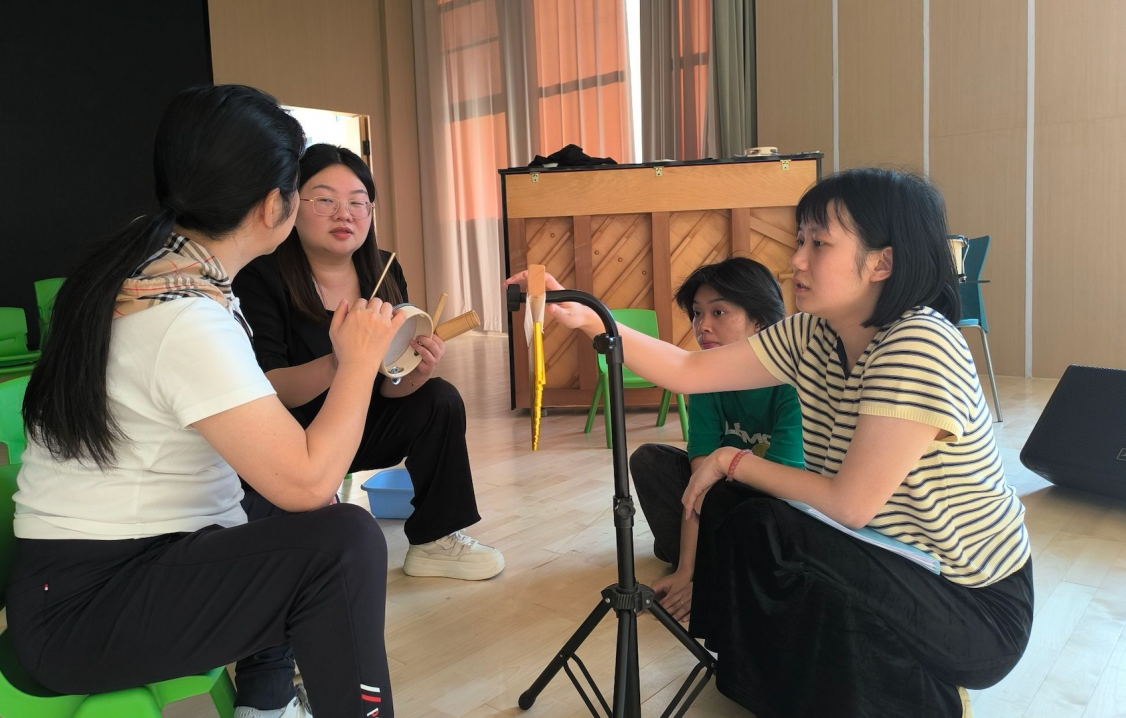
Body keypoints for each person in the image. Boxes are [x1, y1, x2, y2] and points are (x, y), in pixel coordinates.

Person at [507, 168, 1033, 718]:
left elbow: (849, 504)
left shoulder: (918, 341)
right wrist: (586, 317)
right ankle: (771, 681)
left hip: (972, 606)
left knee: (775, 527)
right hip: (888, 560)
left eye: (819, 244)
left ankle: (926, 697)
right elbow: (687, 369)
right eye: (799, 240)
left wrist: (730, 460)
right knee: (751, 519)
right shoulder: (813, 334)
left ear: (882, 262)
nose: (796, 260)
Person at [10, 85, 399, 718]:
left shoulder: (153, 272)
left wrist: (343, 365)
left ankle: (267, 702)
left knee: (290, 510)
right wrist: (357, 365)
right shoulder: (184, 315)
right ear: (274, 205)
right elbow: (306, 482)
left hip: (82, 579)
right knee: (344, 542)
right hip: (84, 609)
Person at [232, 144, 502, 714]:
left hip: (356, 418)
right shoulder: (263, 276)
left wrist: (415, 370)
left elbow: (389, 382)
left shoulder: (380, 269)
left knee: (439, 399)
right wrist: (345, 358)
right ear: (291, 206)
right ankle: (274, 668)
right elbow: (270, 388)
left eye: (358, 202)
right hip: (291, 435)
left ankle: (433, 540)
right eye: (323, 199)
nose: (344, 214)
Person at [629, 257, 804, 624]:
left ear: (760, 321)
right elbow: (699, 484)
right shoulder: (707, 379)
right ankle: (695, 561)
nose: (702, 326)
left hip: (779, 504)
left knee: (762, 514)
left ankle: (720, 568)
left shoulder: (793, 383)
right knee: (650, 460)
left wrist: (711, 578)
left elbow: (783, 493)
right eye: (697, 313)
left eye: (719, 312)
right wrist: (686, 571)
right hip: (721, 494)